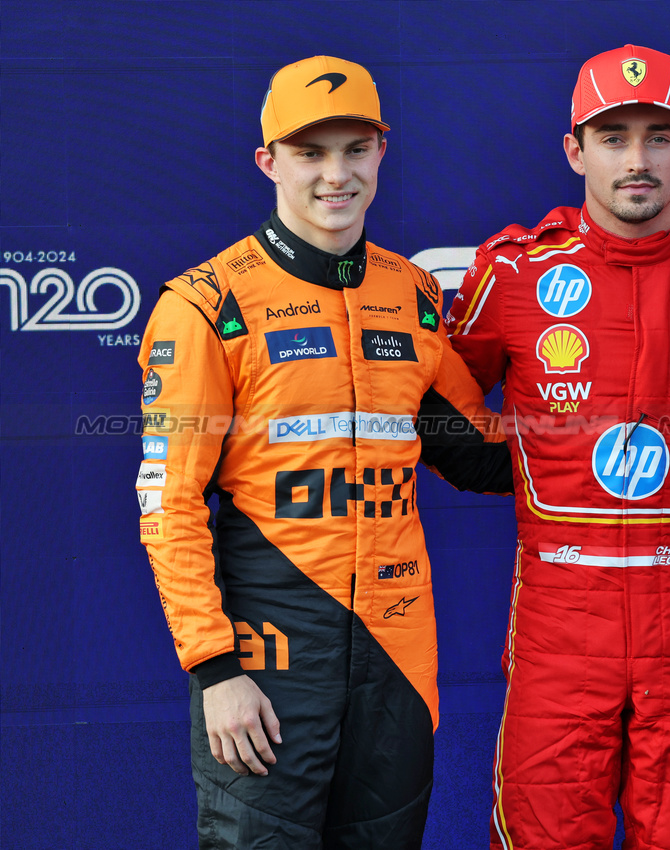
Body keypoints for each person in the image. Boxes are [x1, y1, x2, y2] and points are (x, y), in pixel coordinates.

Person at [135, 55, 510, 849]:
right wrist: (214, 671)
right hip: (267, 666)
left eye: (354, 149)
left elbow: (479, 455)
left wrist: (605, 409)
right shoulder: (206, 304)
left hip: (398, 660)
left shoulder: (411, 294)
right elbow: (168, 503)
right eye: (310, 153)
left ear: (382, 151)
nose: (335, 175)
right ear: (269, 161)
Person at [445, 44, 670, 850]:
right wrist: (537, 481)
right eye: (612, 137)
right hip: (560, 617)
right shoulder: (515, 272)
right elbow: (445, 415)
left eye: (657, 136)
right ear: (574, 150)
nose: (637, 160)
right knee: (542, 835)